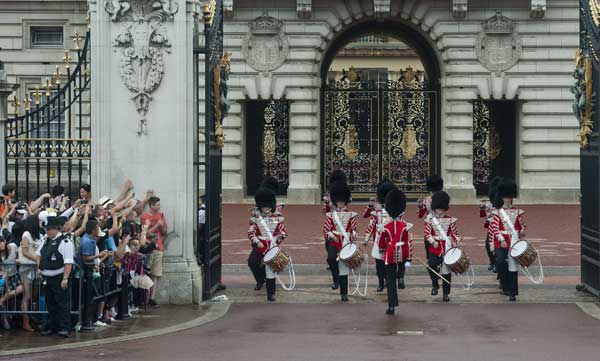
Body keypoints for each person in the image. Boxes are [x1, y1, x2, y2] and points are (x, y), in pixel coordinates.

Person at [36, 216, 75, 337]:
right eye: (46, 229)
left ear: (56, 229)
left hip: (59, 276)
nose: (47, 231)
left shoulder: (65, 242)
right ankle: (53, 327)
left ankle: (64, 327)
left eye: (49, 229)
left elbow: (68, 261)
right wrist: (39, 267)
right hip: (47, 277)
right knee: (51, 303)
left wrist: (65, 278)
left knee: (62, 304)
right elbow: (38, 255)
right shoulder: (45, 240)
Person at [247, 188, 287, 301]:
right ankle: (260, 279)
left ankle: (271, 293)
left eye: (268, 206)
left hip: (272, 246)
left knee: (270, 270)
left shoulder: (278, 219)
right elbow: (251, 233)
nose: (266, 208)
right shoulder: (256, 219)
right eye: (264, 206)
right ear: (260, 206)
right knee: (252, 262)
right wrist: (256, 241)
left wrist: (280, 237)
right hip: (260, 247)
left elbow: (283, 232)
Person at [489, 178, 525, 302]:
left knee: (513, 265)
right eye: (505, 197)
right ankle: (504, 286)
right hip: (501, 241)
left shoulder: (518, 212)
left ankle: (513, 292)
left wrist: (521, 232)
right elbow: (495, 229)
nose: (507, 199)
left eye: (509, 197)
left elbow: (521, 225)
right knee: (500, 262)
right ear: (502, 197)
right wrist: (501, 239)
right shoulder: (497, 213)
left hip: (514, 241)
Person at [378, 189, 413, 315]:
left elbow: (381, 244)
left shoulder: (385, 227)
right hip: (402, 253)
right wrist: (409, 258)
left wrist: (383, 249)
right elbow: (408, 242)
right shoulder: (405, 226)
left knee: (390, 280)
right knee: (399, 272)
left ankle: (391, 306)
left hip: (390, 255)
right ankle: (401, 277)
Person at [323, 180, 357, 302]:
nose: (340, 203)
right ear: (336, 201)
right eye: (339, 201)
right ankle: (335, 279)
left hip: (346, 241)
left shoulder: (351, 214)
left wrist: (353, 235)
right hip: (334, 240)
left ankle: (344, 293)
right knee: (331, 258)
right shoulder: (331, 215)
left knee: (344, 267)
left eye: (342, 201)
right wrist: (332, 235)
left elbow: (354, 229)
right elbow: (326, 230)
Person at [363, 180, 398, 292]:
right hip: (378, 240)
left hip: (391, 241)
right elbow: (371, 225)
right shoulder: (376, 212)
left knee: (390, 262)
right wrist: (366, 238)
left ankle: (388, 280)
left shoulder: (395, 212)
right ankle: (381, 282)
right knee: (379, 263)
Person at [140, 196, 167, 308]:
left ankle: (152, 298)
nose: (159, 206)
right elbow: (145, 232)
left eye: (159, 205)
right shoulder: (144, 216)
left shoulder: (161, 215)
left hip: (158, 247)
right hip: (148, 247)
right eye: (157, 204)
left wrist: (161, 226)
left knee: (155, 274)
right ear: (151, 205)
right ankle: (144, 298)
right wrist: (157, 225)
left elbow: (165, 231)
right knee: (146, 272)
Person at [417, 175, 444, 257]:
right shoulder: (444, 198)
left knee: (430, 246)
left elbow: (420, 215)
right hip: (440, 225)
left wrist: (421, 206)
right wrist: (421, 206)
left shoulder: (427, 199)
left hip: (433, 226)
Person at [479, 176, 502, 272]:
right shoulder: (488, 204)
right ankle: (492, 262)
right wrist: (481, 209)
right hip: (491, 228)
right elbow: (483, 217)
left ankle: (498, 265)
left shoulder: (502, 204)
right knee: (488, 245)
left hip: (501, 228)